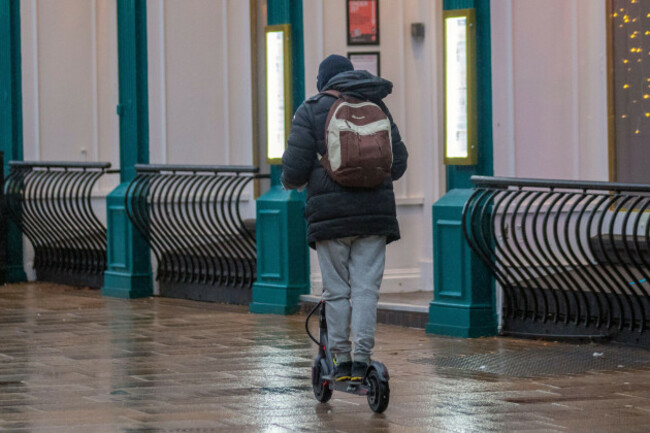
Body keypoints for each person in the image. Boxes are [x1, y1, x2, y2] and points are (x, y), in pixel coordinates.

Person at [281, 54, 408, 382]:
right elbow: (399, 163)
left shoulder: (310, 110)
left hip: (331, 217)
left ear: (323, 82)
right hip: (374, 216)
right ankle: (363, 359)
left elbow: (294, 171)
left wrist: (295, 181)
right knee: (366, 289)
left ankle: (341, 360)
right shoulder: (377, 105)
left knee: (336, 290)